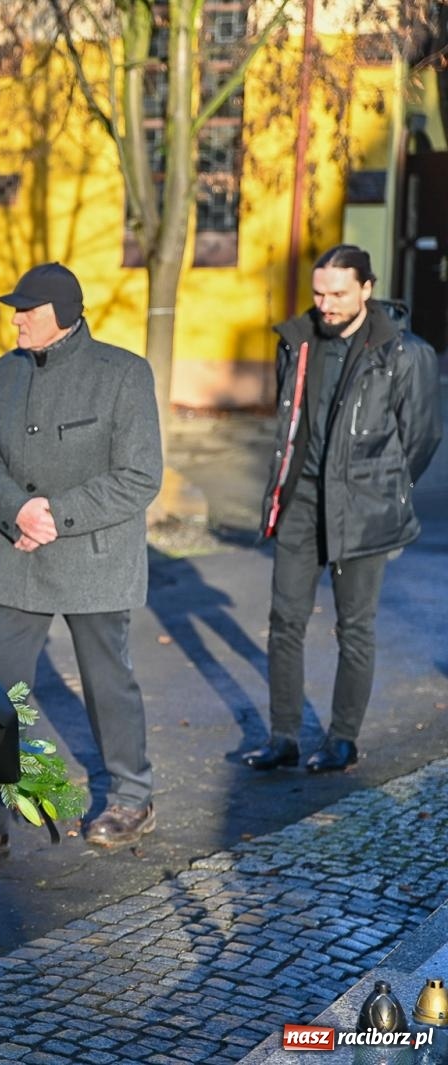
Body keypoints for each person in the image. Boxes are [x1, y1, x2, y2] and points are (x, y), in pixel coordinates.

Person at [0, 262, 162, 871]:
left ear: (61, 314)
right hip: (17, 555)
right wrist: (17, 511)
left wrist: (55, 515)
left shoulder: (123, 374)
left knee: (108, 683)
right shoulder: (7, 372)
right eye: (13, 310)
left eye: (25, 311)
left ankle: (133, 798)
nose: (14, 320)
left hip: (95, 557)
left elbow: (141, 476)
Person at [243, 245, 441, 773]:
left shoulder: (403, 353)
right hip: (301, 502)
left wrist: (383, 489)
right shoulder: (299, 341)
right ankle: (283, 735)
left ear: (366, 290)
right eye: (319, 292)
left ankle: (343, 739)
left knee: (354, 626)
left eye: (338, 294)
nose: (325, 304)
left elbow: (420, 439)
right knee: (284, 620)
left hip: (363, 508)